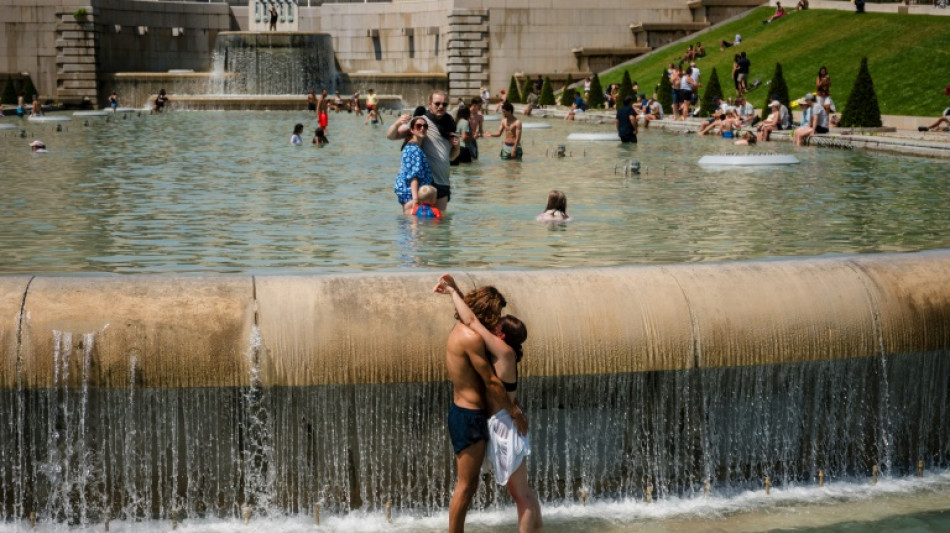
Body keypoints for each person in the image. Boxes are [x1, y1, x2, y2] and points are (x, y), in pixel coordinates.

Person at [435, 274, 542, 533]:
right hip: (473, 417)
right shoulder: (474, 338)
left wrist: (454, 292)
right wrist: (515, 412)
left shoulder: (480, 339)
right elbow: (492, 383)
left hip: (482, 417)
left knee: (515, 491)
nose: (496, 320)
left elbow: (472, 318)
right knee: (468, 486)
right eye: (496, 315)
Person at [387, 90, 460, 212]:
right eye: (437, 103)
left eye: (444, 104)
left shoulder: (450, 124)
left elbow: (452, 157)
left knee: (440, 221)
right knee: (418, 221)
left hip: (443, 181)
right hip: (426, 182)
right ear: (429, 104)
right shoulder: (421, 123)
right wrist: (397, 123)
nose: (441, 107)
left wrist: (457, 147)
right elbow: (391, 136)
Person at [393, 116, 434, 214]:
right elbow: (413, 176)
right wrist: (416, 199)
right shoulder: (413, 149)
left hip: (411, 193)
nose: (422, 128)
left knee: (410, 221)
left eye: (425, 126)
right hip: (411, 194)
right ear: (412, 130)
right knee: (411, 220)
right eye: (418, 126)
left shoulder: (416, 147)